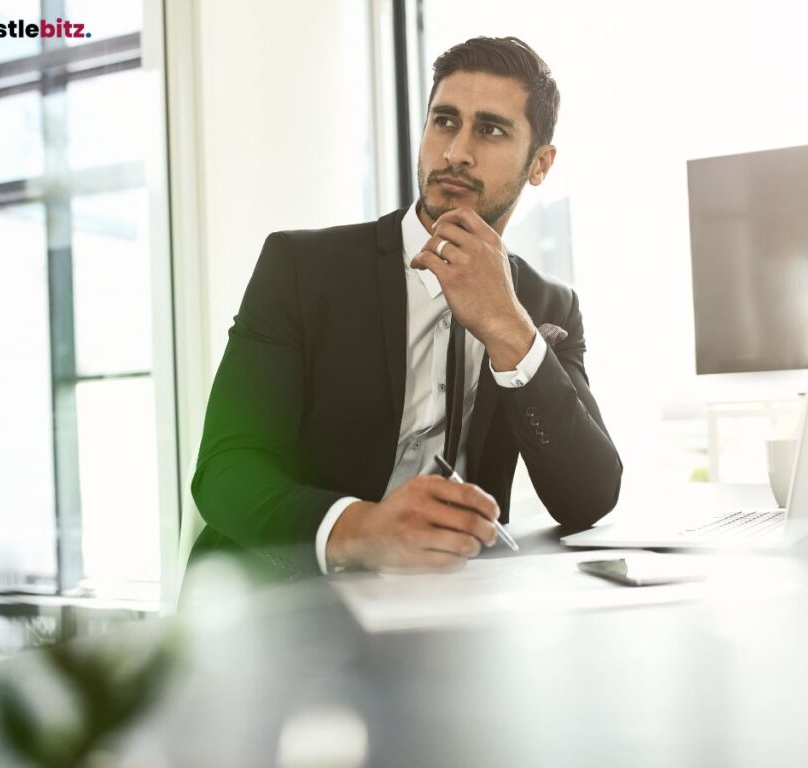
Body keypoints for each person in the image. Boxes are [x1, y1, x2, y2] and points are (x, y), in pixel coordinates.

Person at [189, 36, 622, 579]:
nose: (455, 152)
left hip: (448, 611)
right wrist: (360, 531)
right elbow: (225, 471)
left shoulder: (546, 305)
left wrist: (510, 330)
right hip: (276, 600)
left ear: (540, 163)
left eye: (489, 129)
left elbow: (589, 496)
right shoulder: (300, 267)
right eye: (444, 121)